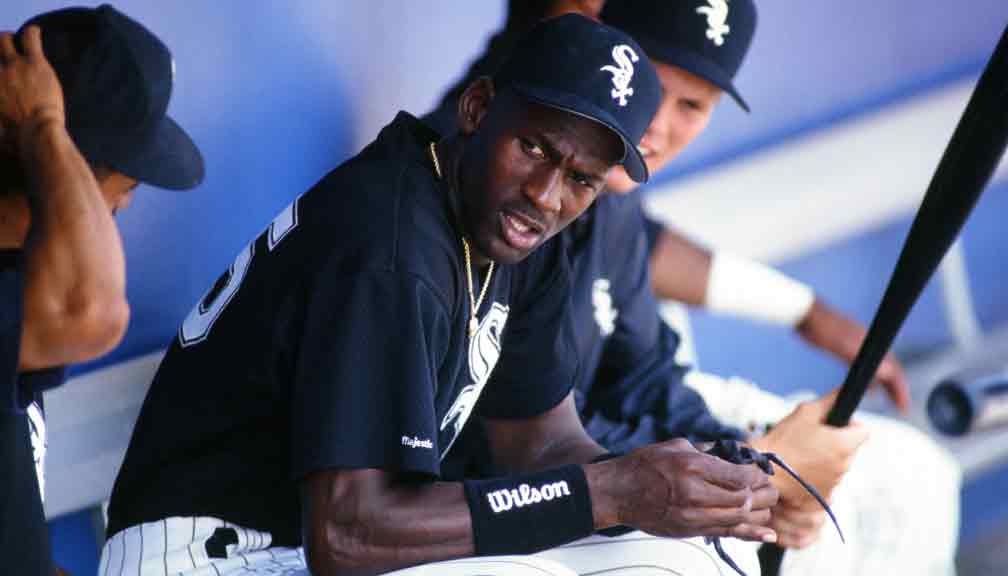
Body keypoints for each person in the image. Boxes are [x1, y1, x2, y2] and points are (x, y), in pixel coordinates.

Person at [102, 15, 779, 576]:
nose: (545, 194)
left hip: (300, 547)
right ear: (478, 108)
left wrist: (674, 488)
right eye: (534, 146)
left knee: (677, 557)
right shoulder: (389, 247)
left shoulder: (520, 233)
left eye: (581, 178)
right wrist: (610, 491)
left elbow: (537, 446)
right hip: (208, 556)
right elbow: (349, 535)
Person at [431, 1, 962, 575]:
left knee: (910, 474)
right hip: (507, 501)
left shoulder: (613, 201)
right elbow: (534, 443)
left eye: (691, 105)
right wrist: (753, 472)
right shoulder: (514, 191)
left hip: (610, 461)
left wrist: (737, 454)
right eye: (650, 87)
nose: (656, 127)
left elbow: (645, 371)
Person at [0, 5, 204, 575]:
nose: (126, 200)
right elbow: (90, 311)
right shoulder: (40, 304)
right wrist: (43, 120)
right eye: (121, 177)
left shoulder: (23, 285)